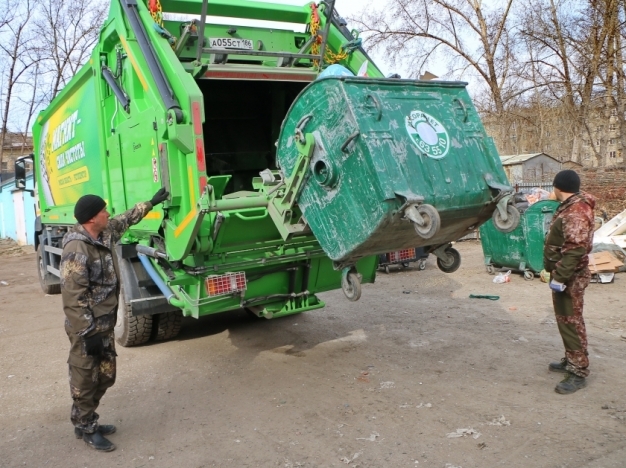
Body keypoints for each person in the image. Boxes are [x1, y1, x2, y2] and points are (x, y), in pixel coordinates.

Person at [60, 188, 169, 451]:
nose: (107, 213)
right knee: (86, 377)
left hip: (106, 323)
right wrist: (88, 333)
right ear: (90, 219)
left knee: (106, 375)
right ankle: (86, 426)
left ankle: (84, 418)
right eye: (102, 211)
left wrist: (151, 202)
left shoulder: (104, 233)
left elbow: (127, 218)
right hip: (87, 328)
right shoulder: (77, 248)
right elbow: (73, 299)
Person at [543, 170, 595, 394]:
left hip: (570, 276)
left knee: (571, 322)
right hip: (566, 274)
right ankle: (571, 357)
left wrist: (560, 278)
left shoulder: (575, 211)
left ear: (558, 187)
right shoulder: (572, 206)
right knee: (567, 320)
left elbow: (575, 250)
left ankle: (578, 371)